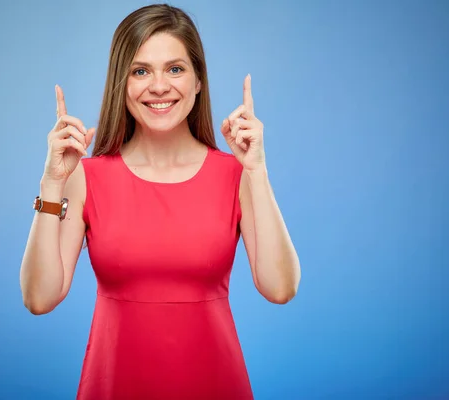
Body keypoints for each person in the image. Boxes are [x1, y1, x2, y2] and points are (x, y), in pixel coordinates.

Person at [20, 4, 301, 399]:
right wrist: (51, 183)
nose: (158, 86)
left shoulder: (236, 175)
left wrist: (257, 170)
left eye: (175, 69)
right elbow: (39, 297)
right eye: (140, 71)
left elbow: (280, 288)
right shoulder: (86, 176)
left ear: (198, 80)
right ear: (122, 82)